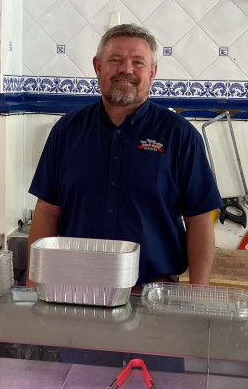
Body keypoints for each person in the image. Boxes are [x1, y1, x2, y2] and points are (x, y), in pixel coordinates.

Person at [28, 23, 222, 369]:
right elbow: (46, 213)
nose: (126, 70)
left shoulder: (180, 136)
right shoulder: (66, 132)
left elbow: (199, 220)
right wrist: (33, 283)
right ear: (97, 67)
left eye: (138, 62)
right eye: (115, 60)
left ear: (153, 73)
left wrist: (198, 294)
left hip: (156, 302)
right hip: (79, 300)